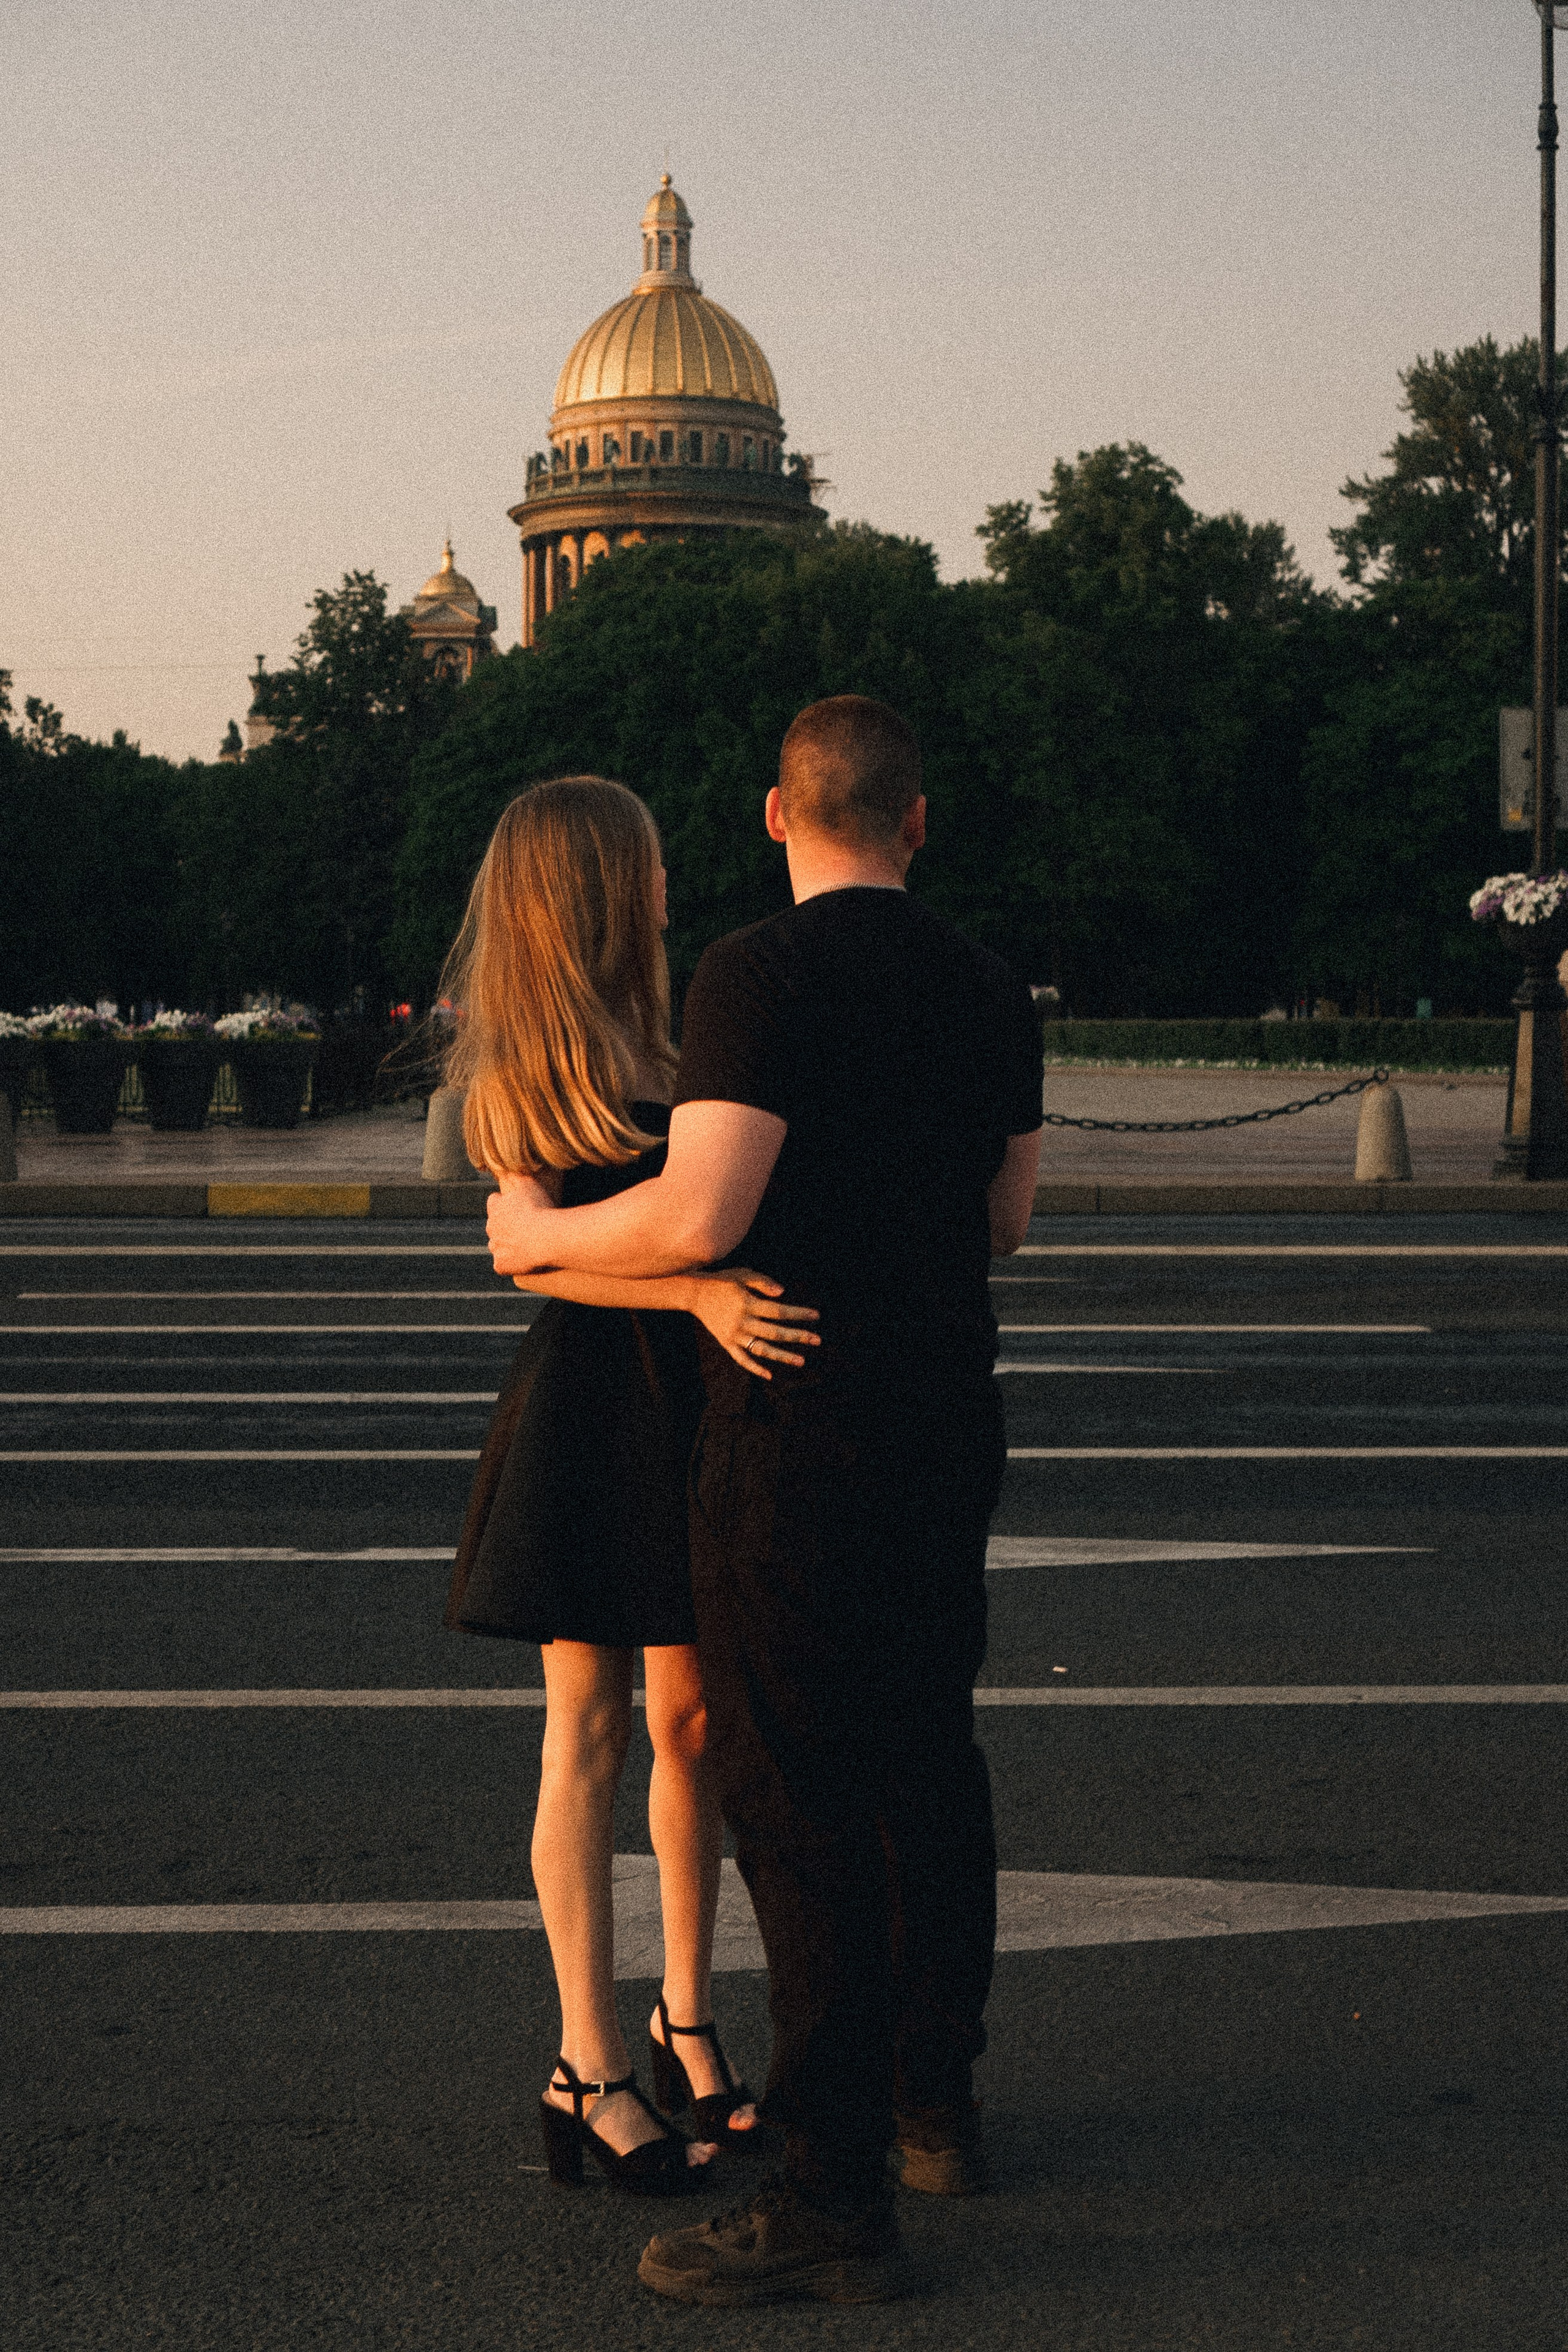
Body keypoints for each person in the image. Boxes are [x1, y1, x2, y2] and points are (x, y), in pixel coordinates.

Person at [484, 699, 1044, 2304]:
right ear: (920, 821)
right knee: (932, 1758)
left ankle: (826, 2186)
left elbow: (706, 1208)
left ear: (780, 815)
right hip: (950, 1416)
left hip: (795, 1421)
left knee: (793, 1801)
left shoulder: (760, 974)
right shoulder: (990, 983)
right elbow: (1006, 1220)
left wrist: (537, 1248)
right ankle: (939, 2100)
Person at [441, 777, 821, 2198]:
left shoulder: (673, 1034)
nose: (669, 886)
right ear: (599, 886)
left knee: (694, 1719)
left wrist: (696, 1291)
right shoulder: (516, 1063)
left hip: (684, 1400)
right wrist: (704, 1290)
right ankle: (585, 2064)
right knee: (585, 1732)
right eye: (648, 866)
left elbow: (545, 1245)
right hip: (596, 1410)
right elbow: (518, 1253)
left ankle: (689, 2023)